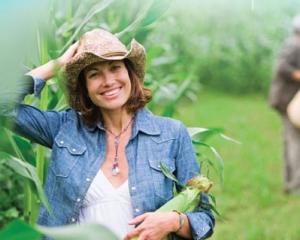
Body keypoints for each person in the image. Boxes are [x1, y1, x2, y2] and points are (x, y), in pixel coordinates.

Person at [1, 29, 215, 239]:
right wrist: (57, 66)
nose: (108, 81)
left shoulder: (172, 134)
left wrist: (172, 221)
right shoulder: (64, 128)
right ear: (84, 86)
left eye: (115, 68)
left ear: (130, 73)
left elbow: (204, 218)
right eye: (94, 74)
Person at [269, 16, 300, 194]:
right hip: (287, 100)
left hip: (290, 100)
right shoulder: (294, 45)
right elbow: (282, 67)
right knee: (294, 140)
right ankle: (295, 185)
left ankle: (291, 182)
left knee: (291, 139)